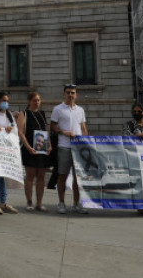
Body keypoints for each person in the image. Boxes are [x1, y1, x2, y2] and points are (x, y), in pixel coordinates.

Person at [51, 84, 89, 215]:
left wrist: (86, 142)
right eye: (68, 92)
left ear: (76, 95)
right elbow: (53, 127)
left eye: (73, 93)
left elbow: (83, 128)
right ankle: (61, 203)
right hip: (64, 146)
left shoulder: (80, 110)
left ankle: (76, 204)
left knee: (77, 177)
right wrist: (64, 132)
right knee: (62, 175)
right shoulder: (58, 109)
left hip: (78, 147)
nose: (70, 95)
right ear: (64, 94)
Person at [19, 92, 51, 212]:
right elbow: (21, 132)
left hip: (41, 148)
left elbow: (46, 132)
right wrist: (28, 147)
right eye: (34, 100)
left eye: (38, 100)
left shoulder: (42, 114)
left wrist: (49, 146)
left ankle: (39, 203)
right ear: (29, 101)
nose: (37, 102)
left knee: (41, 176)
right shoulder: (24, 113)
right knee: (30, 175)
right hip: (29, 149)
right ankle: (29, 201)